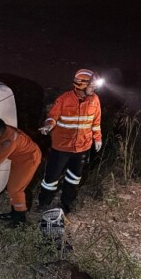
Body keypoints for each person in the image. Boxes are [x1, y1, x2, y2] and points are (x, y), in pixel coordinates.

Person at [37, 68, 103, 214]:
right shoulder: (64, 99)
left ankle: (66, 203)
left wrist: (97, 138)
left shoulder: (95, 100)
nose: (94, 89)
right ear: (81, 85)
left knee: (74, 178)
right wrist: (48, 126)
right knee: (51, 178)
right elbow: (52, 116)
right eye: (92, 86)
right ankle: (43, 203)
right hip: (61, 147)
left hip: (82, 148)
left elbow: (96, 122)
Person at [0, 118, 42, 226]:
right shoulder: (4, 130)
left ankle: (20, 218)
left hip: (29, 159)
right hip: (20, 157)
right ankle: (14, 212)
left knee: (15, 189)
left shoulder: (9, 142)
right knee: (12, 187)